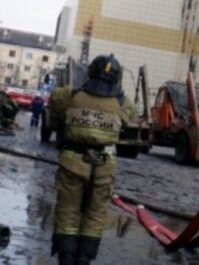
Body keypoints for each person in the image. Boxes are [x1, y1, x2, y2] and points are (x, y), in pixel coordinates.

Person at [51, 54, 135, 265]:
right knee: (96, 214)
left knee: (68, 211)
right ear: (116, 78)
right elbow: (127, 119)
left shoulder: (72, 95)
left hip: (72, 163)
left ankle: (66, 257)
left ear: (90, 72)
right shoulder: (123, 103)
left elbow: (53, 101)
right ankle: (84, 258)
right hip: (104, 167)